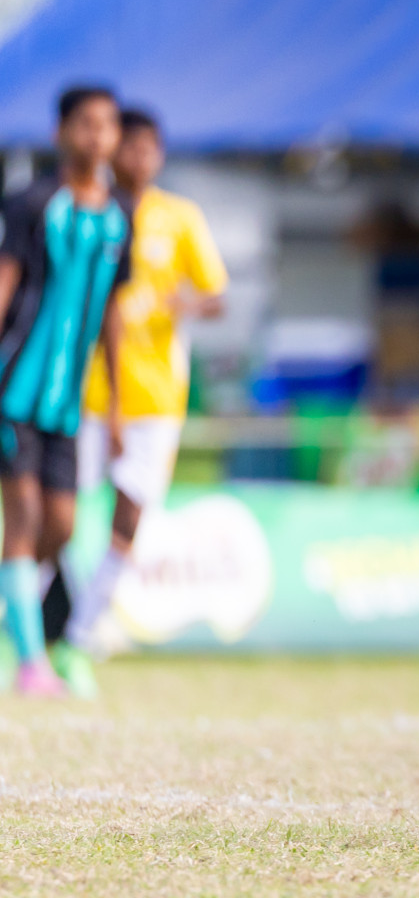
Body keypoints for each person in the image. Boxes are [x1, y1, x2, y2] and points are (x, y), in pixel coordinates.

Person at [47, 107, 227, 696]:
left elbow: (214, 295)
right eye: (131, 146)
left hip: (156, 398)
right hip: (86, 391)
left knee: (130, 518)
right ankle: (20, 633)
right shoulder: (87, 207)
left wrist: (181, 305)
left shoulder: (179, 217)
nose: (139, 157)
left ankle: (79, 638)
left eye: (151, 147)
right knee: (57, 517)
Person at [0, 85, 134, 696]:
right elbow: (7, 282)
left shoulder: (117, 218)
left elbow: (111, 313)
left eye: (106, 126)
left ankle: (18, 617)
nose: (97, 136)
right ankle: (32, 664)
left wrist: (115, 407)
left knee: (62, 526)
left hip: (69, 404)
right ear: (62, 133)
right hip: (15, 389)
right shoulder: (34, 203)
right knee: (24, 515)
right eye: (85, 124)